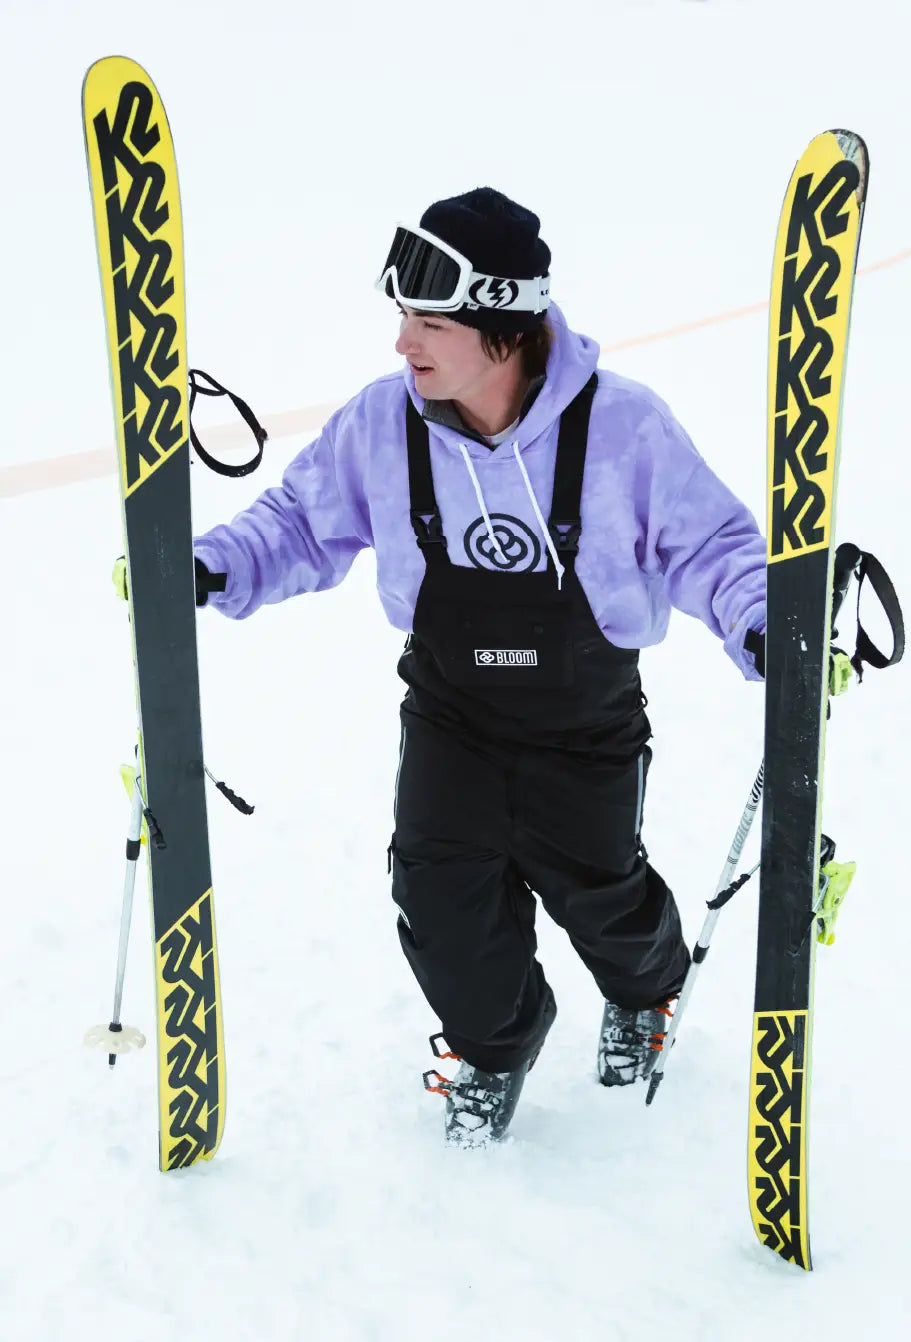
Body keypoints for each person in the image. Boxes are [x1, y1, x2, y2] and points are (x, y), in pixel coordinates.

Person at [192, 188, 766, 1146]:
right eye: (400, 318)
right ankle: (495, 1045)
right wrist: (214, 566)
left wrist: (763, 624)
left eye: (427, 321)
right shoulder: (383, 423)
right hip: (453, 708)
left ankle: (647, 989)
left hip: (584, 716)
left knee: (597, 886)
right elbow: (300, 522)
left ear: (502, 329)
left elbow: (713, 548)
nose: (401, 343)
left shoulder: (623, 429)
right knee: (437, 892)